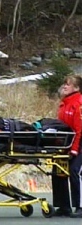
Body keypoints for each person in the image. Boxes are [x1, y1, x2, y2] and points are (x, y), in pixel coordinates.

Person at [52, 75, 82, 218]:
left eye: (68, 85)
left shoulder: (79, 104)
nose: (64, 86)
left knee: (75, 171)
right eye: (64, 84)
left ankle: (80, 206)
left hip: (79, 143)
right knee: (58, 171)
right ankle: (64, 206)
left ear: (76, 88)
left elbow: (79, 129)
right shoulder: (64, 104)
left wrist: (75, 149)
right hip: (65, 143)